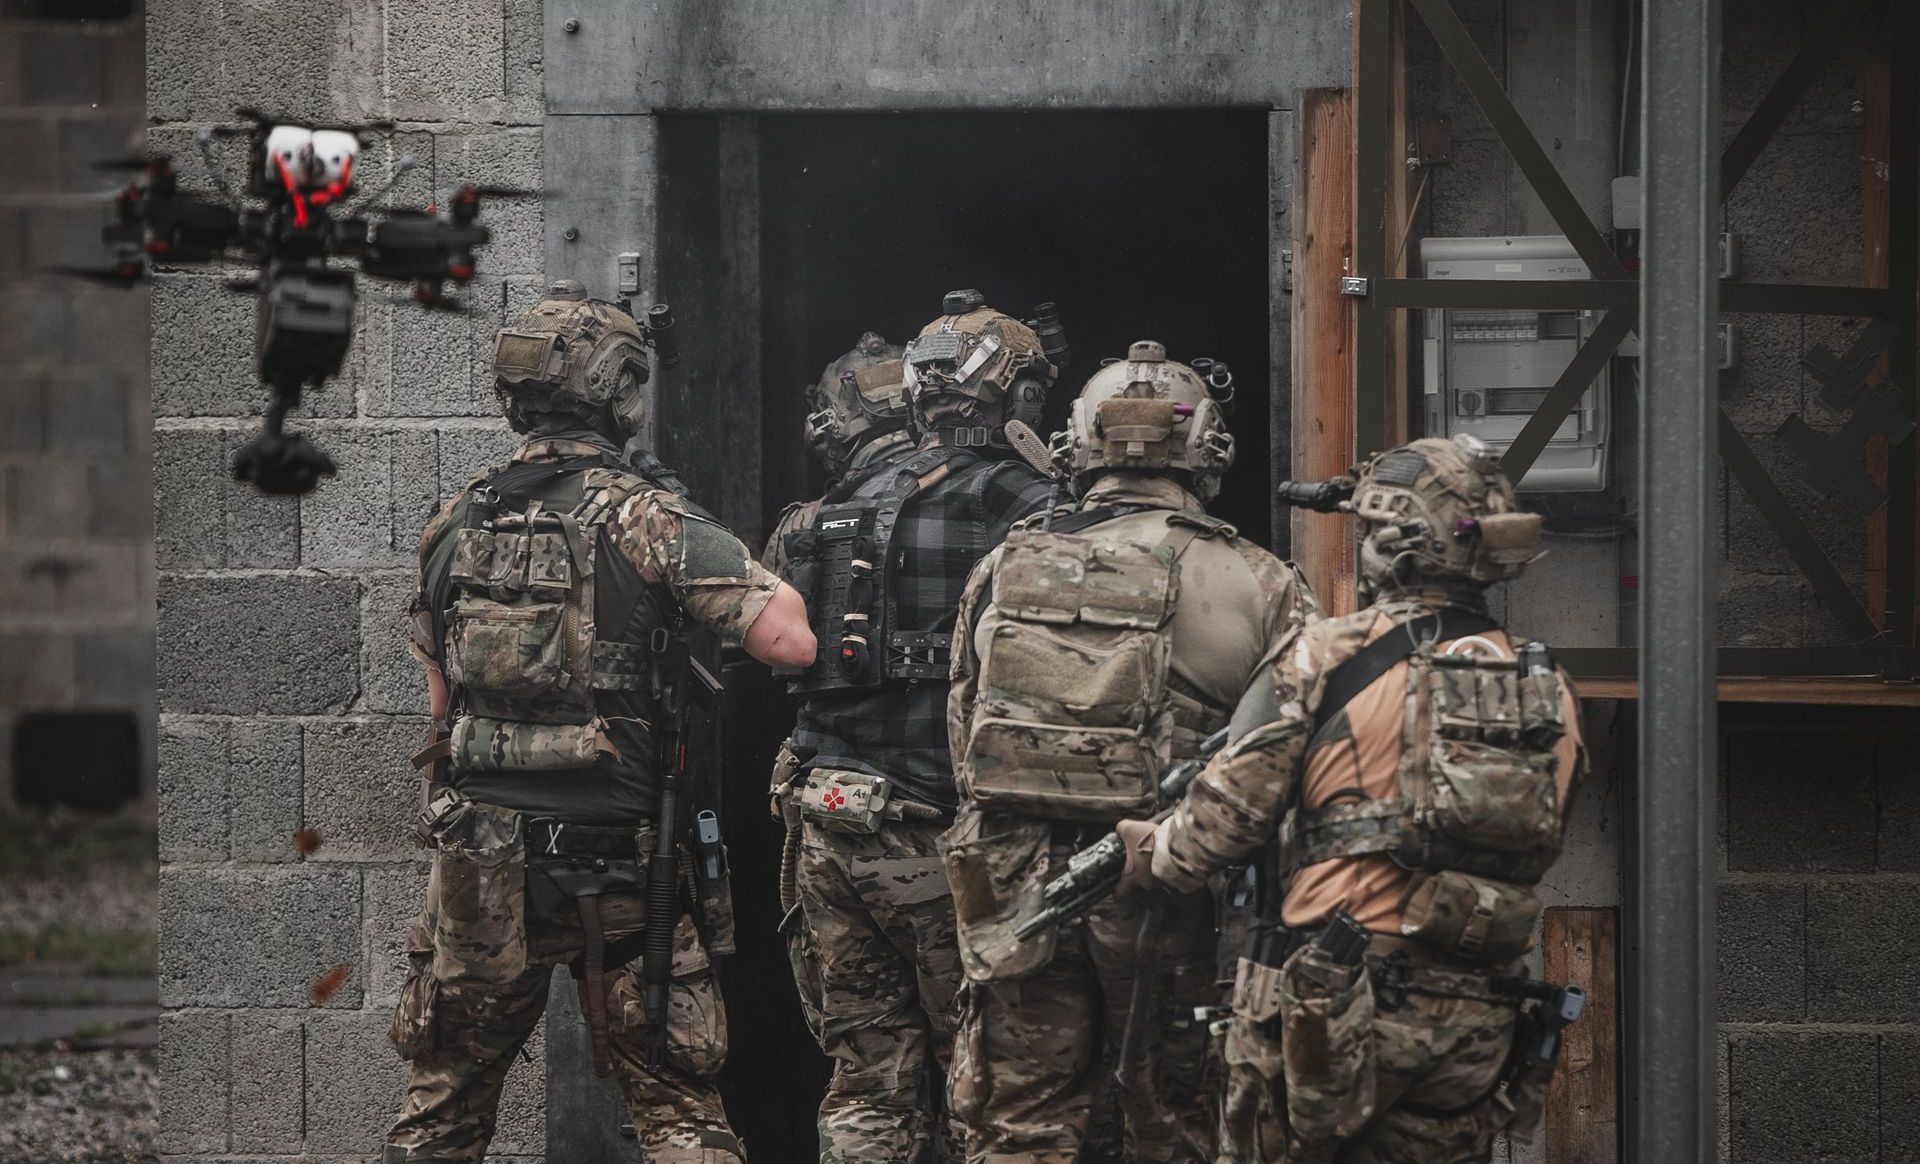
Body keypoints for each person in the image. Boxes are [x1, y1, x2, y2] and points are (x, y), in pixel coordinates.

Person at [382, 280, 816, 1164]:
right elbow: (791, 643)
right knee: (677, 1106)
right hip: (617, 856)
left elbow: (439, 704)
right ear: (619, 391)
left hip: (478, 859)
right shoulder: (645, 516)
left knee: (444, 1106)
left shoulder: (453, 523)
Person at [1116, 434, 1587, 1164]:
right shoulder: (1544, 683)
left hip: (1333, 1009)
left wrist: (1155, 849)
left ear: (1388, 544)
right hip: (1480, 1018)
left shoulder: (1323, 653)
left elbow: (1219, 828)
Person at [942, 341, 1317, 1164]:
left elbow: (963, 730)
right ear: (1209, 448)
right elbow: (1285, 763)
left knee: (1018, 1127)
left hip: (1013, 886)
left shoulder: (1006, 566)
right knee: (1174, 1123)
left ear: (1077, 443)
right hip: (1166, 891)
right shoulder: (1262, 580)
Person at [773, 290, 1061, 1162]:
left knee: (867, 1084)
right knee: (992, 1083)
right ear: (1017, 395)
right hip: (941, 838)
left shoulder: (830, 507)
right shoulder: (1031, 504)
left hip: (825, 827)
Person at [762, 330, 915, 1045]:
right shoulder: (1001, 505)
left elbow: (770, 657)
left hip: (834, 807)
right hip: (944, 811)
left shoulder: (804, 527)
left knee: (864, 1065)